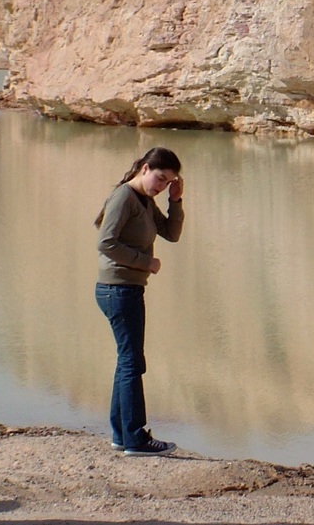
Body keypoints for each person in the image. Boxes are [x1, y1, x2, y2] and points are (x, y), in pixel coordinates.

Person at [93, 147, 185, 456]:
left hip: (126, 289)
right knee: (132, 362)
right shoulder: (124, 197)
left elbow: (171, 233)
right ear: (144, 168)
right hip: (117, 290)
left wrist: (175, 201)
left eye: (168, 181)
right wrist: (146, 262)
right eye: (160, 178)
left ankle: (122, 435)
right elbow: (106, 243)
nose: (161, 186)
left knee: (128, 361)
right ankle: (135, 438)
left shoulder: (144, 200)